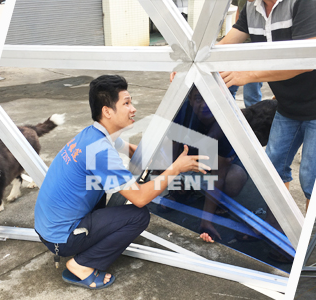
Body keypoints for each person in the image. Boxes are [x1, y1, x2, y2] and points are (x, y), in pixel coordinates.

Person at [34, 75, 209, 289]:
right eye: (126, 103)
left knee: (108, 190)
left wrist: (157, 159)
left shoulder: (93, 134)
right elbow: (141, 198)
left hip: (49, 227)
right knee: (138, 215)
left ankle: (84, 245)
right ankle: (82, 264)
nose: (133, 108)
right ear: (107, 111)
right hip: (61, 238)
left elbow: (126, 147)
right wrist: (175, 169)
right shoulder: (101, 152)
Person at [218, 0, 316, 200]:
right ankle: (279, 226)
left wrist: (249, 75)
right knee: (272, 171)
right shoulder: (253, 6)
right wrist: (187, 63)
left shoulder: (308, 3)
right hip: (287, 104)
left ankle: (309, 231)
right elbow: (224, 45)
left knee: (311, 178)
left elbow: (307, 60)